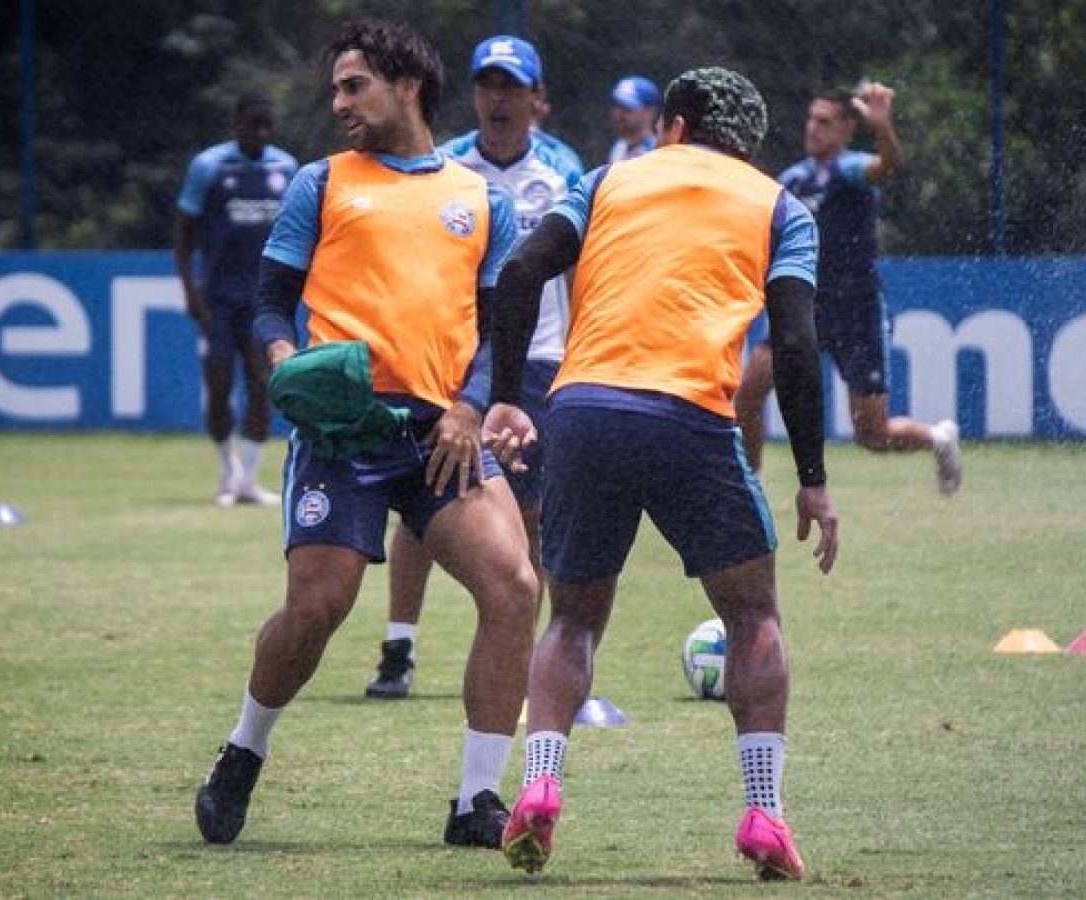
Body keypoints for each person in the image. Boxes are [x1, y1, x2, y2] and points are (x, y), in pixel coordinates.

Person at [483, 67, 840, 880]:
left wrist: (505, 397)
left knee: (571, 620)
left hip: (583, 412)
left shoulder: (607, 178)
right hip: (690, 418)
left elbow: (517, 273)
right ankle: (764, 815)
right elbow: (793, 343)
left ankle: (539, 785)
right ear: (747, 144)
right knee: (752, 615)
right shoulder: (779, 206)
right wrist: (812, 475)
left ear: (672, 123)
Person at [192, 20, 539, 850]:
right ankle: (245, 749)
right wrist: (282, 355)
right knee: (319, 606)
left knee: (515, 588)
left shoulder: (478, 196)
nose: (338, 102)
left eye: (354, 86)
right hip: (342, 428)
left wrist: (470, 405)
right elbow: (275, 300)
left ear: (406, 84)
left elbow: (499, 328)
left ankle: (476, 802)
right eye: (338, 87)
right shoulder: (321, 182)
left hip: (440, 433)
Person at [365, 34, 581, 700]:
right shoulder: (444, 164)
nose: (498, 98)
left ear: (536, 99)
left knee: (533, 510)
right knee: (424, 500)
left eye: (511, 87)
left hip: (541, 359)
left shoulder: (564, 170)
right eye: (488, 85)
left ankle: (525, 662)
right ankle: (399, 646)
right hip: (454, 361)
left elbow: (582, 270)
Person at [734, 82, 962, 494]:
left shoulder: (851, 169)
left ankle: (937, 438)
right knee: (748, 395)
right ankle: (748, 491)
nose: (813, 128)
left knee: (871, 435)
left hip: (856, 312)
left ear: (845, 130)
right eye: (811, 119)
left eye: (824, 122)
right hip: (803, 308)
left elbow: (888, 165)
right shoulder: (795, 180)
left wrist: (882, 128)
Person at [174, 90, 298, 507]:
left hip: (265, 299)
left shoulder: (286, 167)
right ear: (237, 124)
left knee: (263, 383)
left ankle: (248, 478)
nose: (261, 133)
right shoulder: (209, 167)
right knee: (220, 380)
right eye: (253, 125)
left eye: (268, 126)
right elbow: (184, 231)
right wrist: (190, 289)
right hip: (218, 298)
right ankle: (226, 472)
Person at [606, 75, 660, 163]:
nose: (618, 114)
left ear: (649, 112)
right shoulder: (619, 148)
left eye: (627, 108)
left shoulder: (656, 153)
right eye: (617, 106)